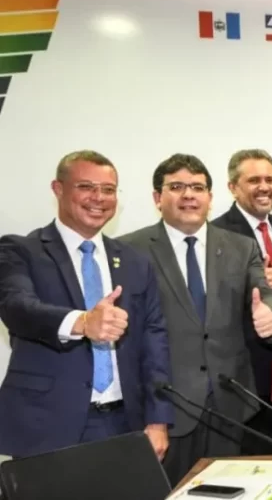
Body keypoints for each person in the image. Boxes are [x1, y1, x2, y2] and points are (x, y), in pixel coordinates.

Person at [0, 150, 174, 460]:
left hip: (125, 423)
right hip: (46, 427)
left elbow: (154, 342)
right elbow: (17, 308)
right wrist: (82, 322)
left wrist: (158, 419)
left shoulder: (135, 261)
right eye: (86, 187)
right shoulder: (20, 250)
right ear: (58, 189)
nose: (99, 198)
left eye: (108, 189)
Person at [119, 154, 272, 485]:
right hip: (166, 407)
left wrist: (269, 311)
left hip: (228, 404)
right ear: (157, 197)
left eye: (197, 187)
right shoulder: (130, 250)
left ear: (210, 196)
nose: (188, 195)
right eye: (177, 187)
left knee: (229, 491)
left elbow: (264, 292)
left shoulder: (241, 246)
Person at [211, 148, 272, 455]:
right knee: (257, 455)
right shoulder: (216, 233)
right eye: (254, 180)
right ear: (233, 187)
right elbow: (214, 301)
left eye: (270, 180)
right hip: (247, 367)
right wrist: (255, 285)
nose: (264, 187)